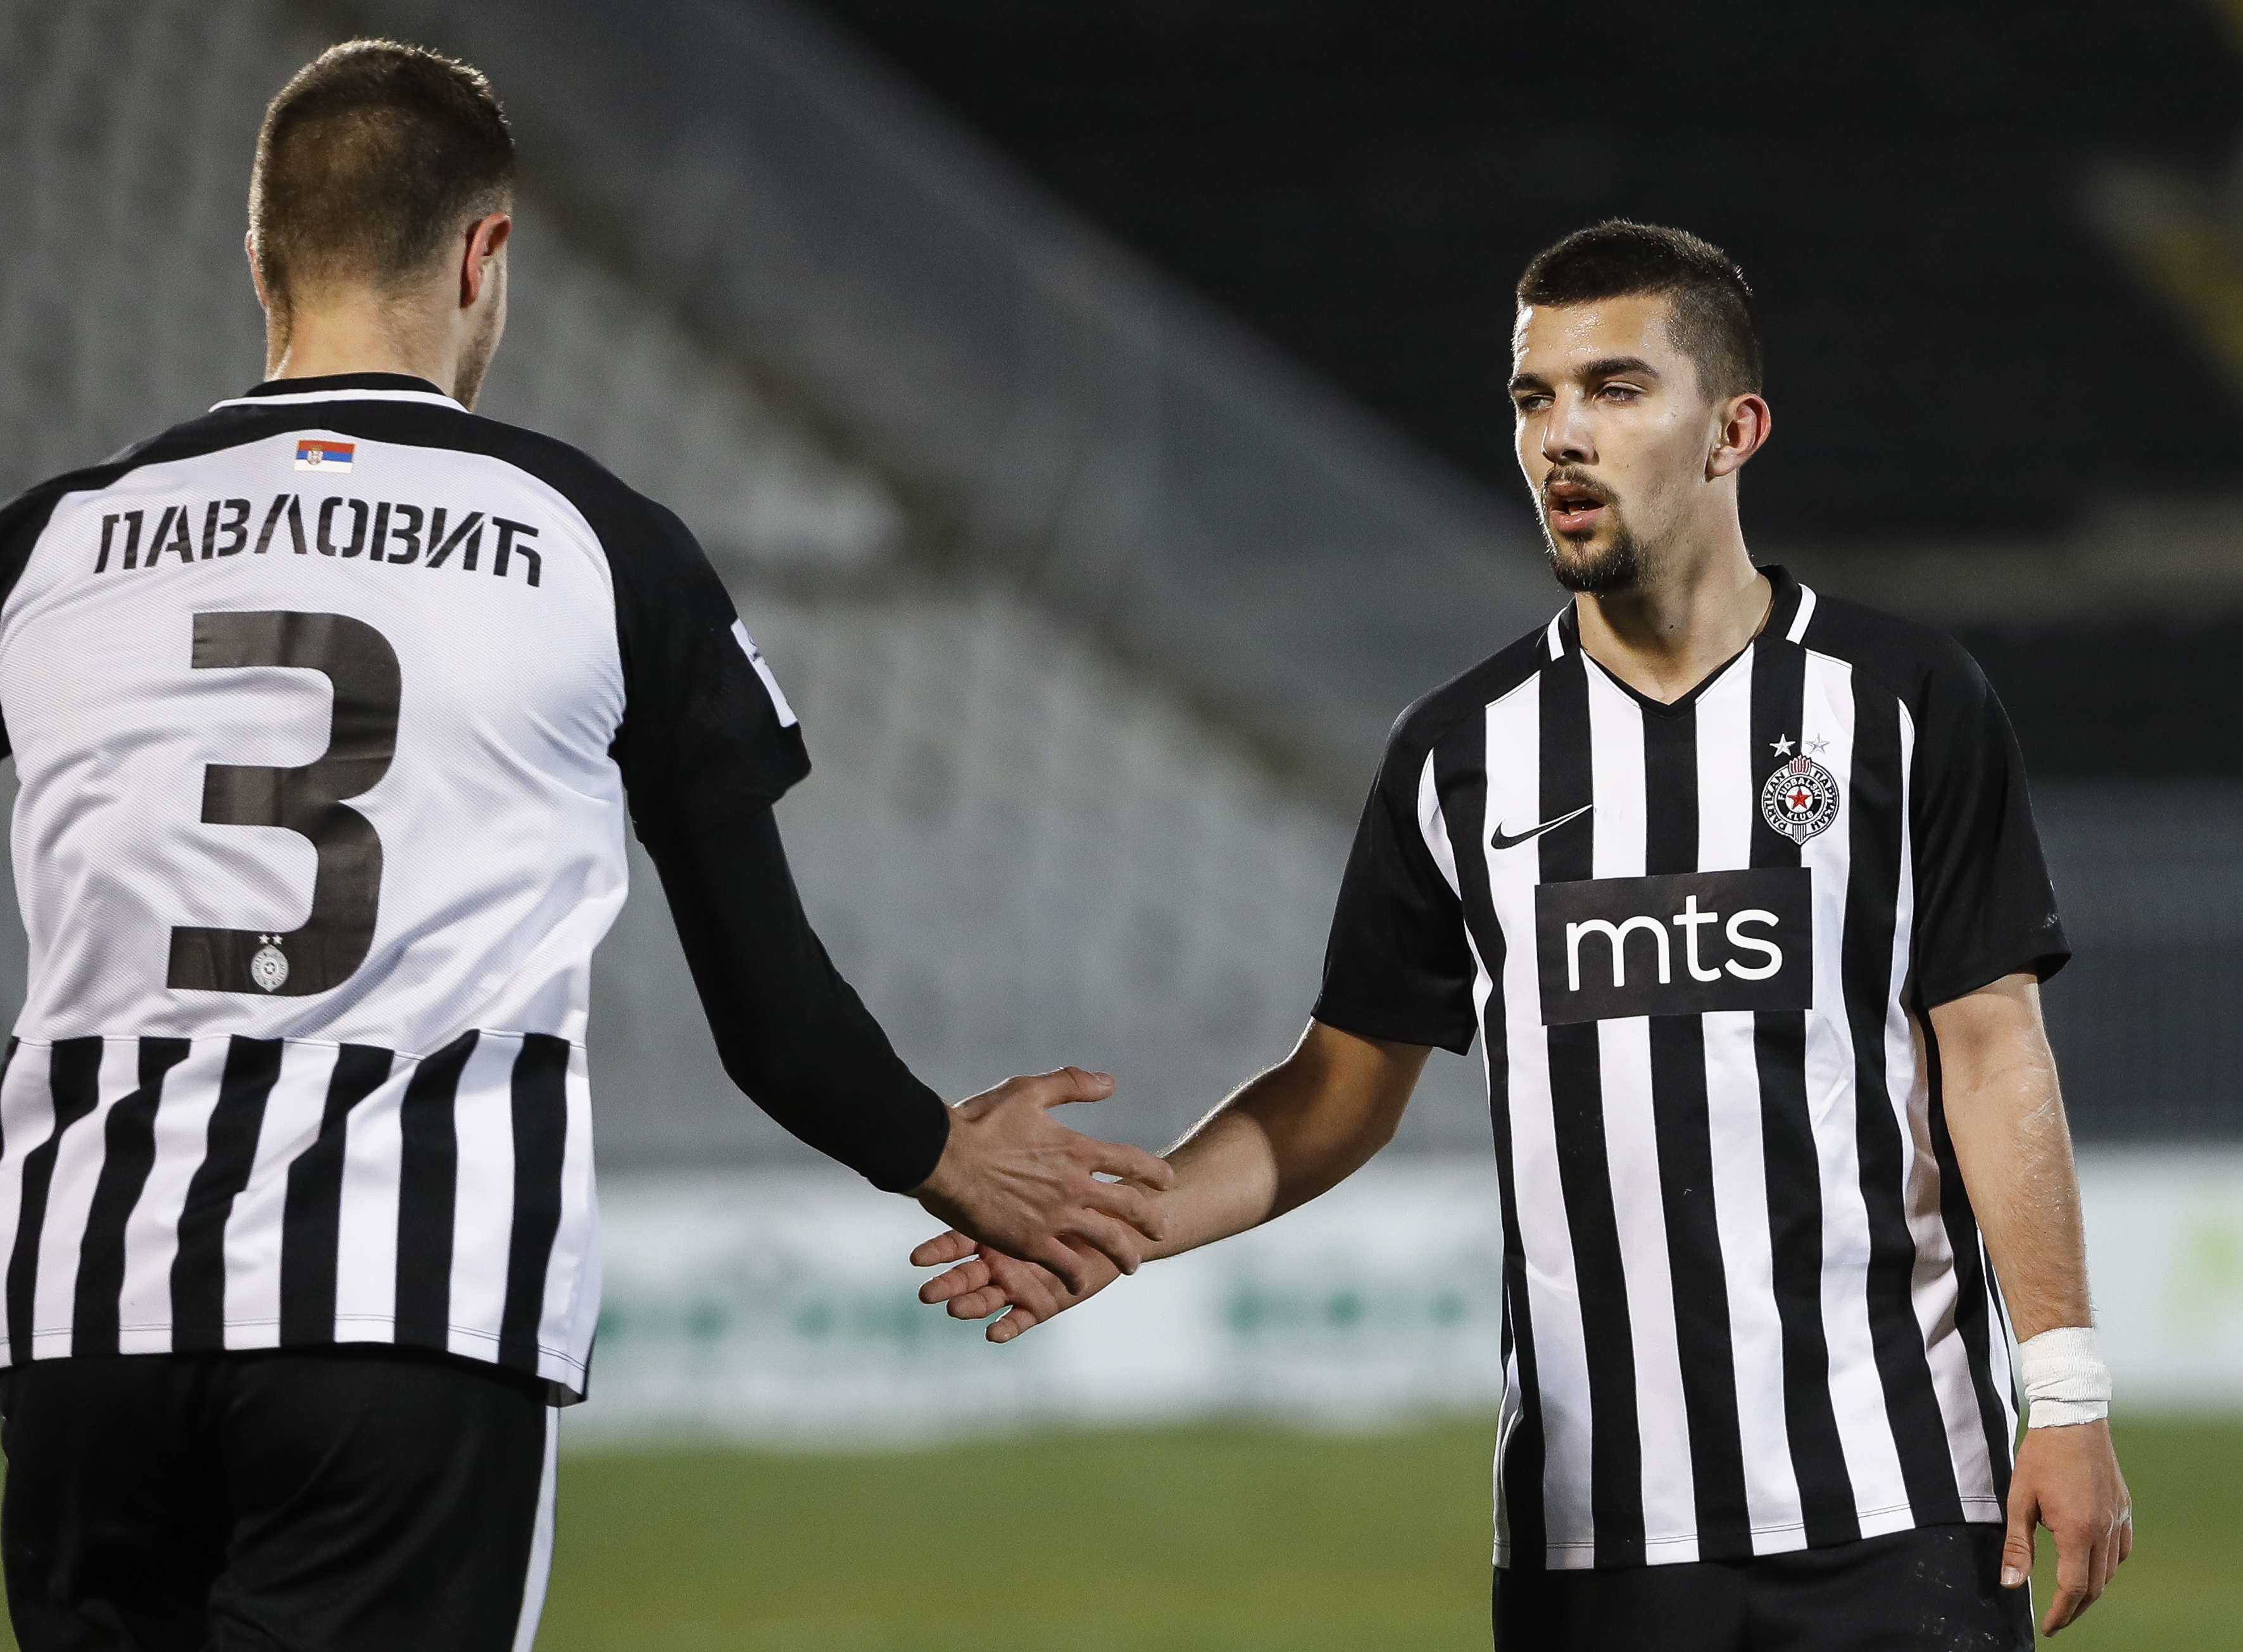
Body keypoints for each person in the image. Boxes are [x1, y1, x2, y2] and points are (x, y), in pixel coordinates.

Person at [0, 39, 1171, 1652]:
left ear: (258, 253)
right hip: (403, 1330)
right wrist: (944, 1153)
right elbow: (770, 1011)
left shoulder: (50, 543)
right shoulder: (597, 543)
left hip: (82, 1328)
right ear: (485, 256)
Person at [915, 221, 2132, 1649]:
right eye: (1532, 398)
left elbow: (1992, 1061)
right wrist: (1116, 1220)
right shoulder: (1457, 755)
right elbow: (1335, 1090)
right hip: (1589, 1541)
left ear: (1730, 430)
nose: (1562, 436)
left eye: (1613, 390)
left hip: (1898, 1502)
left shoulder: (1907, 705)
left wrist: (2064, 1397)